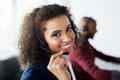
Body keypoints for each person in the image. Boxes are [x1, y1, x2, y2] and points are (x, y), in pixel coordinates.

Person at [18, 4, 80, 80]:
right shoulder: (31, 77)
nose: (67, 39)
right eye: (56, 34)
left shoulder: (62, 61)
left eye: (68, 29)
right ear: (41, 41)